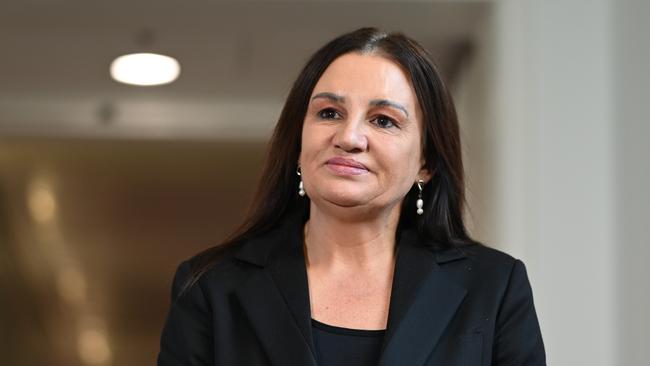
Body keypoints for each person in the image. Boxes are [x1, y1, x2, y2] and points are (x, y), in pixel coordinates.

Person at [156, 27, 546, 366]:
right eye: (329, 113)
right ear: (297, 142)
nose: (348, 137)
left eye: (383, 120)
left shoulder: (494, 288)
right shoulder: (210, 287)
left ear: (426, 162)